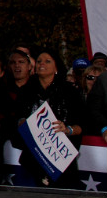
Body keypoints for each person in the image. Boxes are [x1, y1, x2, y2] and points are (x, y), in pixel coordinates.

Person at [13, 49, 85, 187]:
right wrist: (20, 121)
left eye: (47, 61)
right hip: (33, 157)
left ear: (56, 67)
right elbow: (15, 117)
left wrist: (68, 129)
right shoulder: (26, 91)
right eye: (39, 61)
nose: (41, 64)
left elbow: (83, 124)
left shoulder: (70, 91)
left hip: (60, 158)